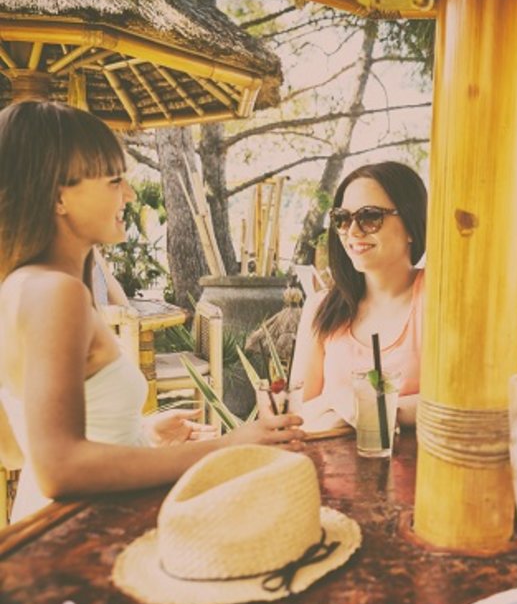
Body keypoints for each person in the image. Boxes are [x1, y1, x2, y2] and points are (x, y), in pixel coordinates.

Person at [0, 100, 304, 523]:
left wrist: (138, 436)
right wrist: (228, 446)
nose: (129, 194)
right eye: (113, 181)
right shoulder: (57, 292)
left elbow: (15, 450)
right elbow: (60, 469)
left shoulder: (17, 286)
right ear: (57, 196)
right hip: (78, 533)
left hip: (45, 526)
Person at [299, 161, 427, 428]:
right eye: (342, 219)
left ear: (412, 224)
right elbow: (299, 412)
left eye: (370, 217)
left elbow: (459, 402)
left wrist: (361, 408)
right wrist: (338, 400)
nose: (353, 232)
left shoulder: (438, 298)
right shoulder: (321, 307)